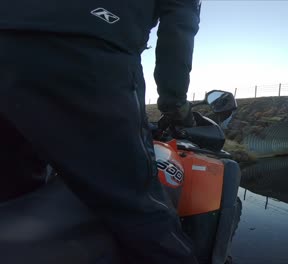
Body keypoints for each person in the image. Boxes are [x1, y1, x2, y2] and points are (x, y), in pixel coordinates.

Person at [0, 0, 201, 263]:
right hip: (89, 47)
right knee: (139, 211)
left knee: (13, 193)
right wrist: (175, 103)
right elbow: (180, 25)